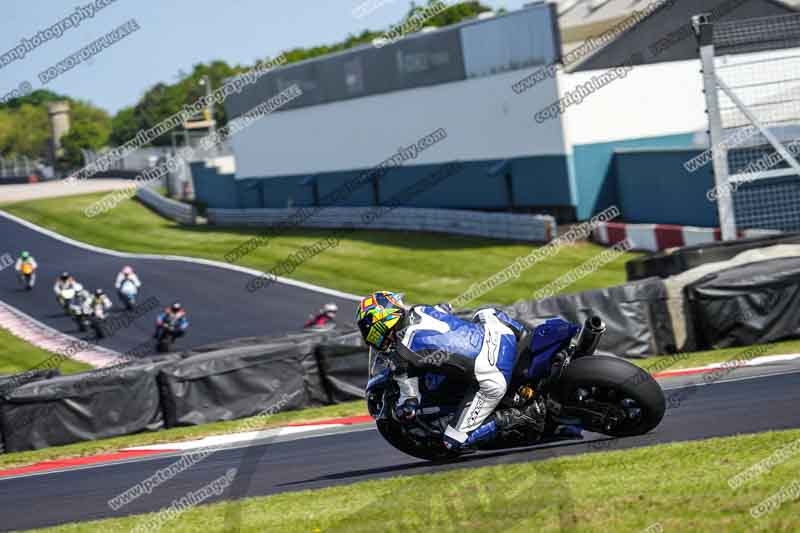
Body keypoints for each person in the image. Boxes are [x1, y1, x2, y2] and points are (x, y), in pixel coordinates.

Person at [356, 291, 545, 451]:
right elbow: (445, 307)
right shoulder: (419, 310)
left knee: (452, 441)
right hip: (500, 334)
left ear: (379, 321)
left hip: (491, 373)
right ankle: (527, 339)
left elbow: (410, 403)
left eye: (367, 329)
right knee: (485, 312)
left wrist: (404, 410)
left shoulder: (402, 352)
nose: (367, 336)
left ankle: (523, 415)